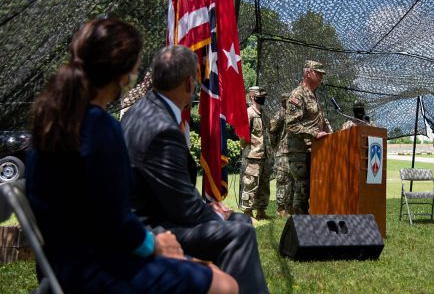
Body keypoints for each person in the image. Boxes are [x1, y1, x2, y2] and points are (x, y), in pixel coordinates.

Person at [26, 18, 238, 294]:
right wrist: (155, 244)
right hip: (98, 272)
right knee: (225, 284)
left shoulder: (51, 122)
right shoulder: (100, 127)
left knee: (203, 268)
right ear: (124, 74)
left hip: (59, 265)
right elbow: (115, 221)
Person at [121, 45, 269, 294]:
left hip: (154, 214)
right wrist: (215, 214)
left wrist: (208, 206)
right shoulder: (162, 128)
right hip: (151, 228)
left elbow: (171, 189)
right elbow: (185, 210)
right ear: (190, 83)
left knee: (241, 220)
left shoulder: (140, 112)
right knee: (239, 233)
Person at [285, 60, 332, 214]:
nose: (321, 76)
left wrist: (332, 134)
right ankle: (299, 226)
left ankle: (308, 224)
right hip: (299, 151)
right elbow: (291, 124)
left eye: (322, 74)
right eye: (318, 73)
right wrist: (314, 133)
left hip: (314, 150)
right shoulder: (298, 94)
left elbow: (321, 120)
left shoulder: (314, 96)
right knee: (303, 189)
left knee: (311, 188)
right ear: (308, 73)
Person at [240, 86, 271, 220]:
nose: (263, 98)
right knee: (251, 183)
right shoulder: (249, 113)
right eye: (260, 95)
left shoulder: (264, 114)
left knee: (264, 185)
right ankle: (247, 213)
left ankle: (261, 211)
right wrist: (246, 148)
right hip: (252, 155)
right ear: (252, 96)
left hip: (264, 155)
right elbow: (243, 135)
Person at [270, 93, 293, 217]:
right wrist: (275, 146)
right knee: (282, 180)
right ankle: (280, 209)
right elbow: (272, 130)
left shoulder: (293, 114)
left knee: (290, 181)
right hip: (282, 153)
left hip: (291, 152)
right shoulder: (281, 114)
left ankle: (289, 207)